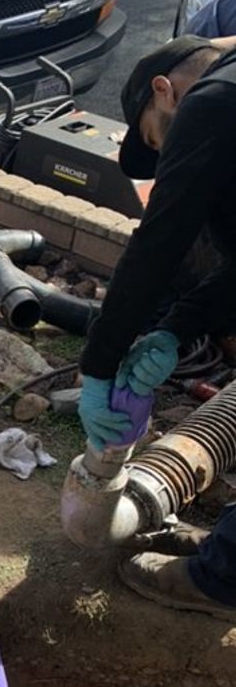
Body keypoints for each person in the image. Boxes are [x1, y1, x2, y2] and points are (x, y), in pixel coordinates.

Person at [77, 33, 236, 619]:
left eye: (156, 139)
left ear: (164, 92)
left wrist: (98, 367)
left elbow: (158, 243)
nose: (167, 161)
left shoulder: (214, 103)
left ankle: (224, 578)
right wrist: (176, 327)